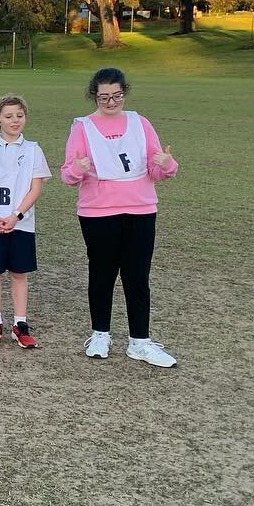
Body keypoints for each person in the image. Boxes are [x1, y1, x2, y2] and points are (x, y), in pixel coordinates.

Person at [61, 68, 179, 367]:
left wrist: (166, 164)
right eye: (104, 97)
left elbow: (155, 167)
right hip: (98, 212)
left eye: (116, 96)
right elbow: (67, 174)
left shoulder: (140, 123)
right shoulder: (82, 127)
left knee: (137, 276)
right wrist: (78, 167)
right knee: (102, 273)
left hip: (140, 209)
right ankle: (100, 334)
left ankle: (140, 341)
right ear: (94, 96)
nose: (111, 102)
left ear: (124, 92)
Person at [0, 94, 50, 348]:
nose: (15, 121)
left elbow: (35, 189)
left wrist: (16, 216)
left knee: (18, 273)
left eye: (19, 116)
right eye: (8, 116)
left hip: (21, 224)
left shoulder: (33, 149)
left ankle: (20, 323)